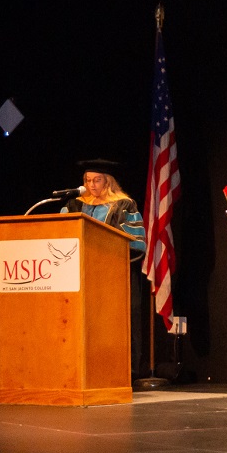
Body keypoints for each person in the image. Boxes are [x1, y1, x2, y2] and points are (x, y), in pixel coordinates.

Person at [61, 158, 147, 381]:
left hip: (114, 276)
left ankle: (123, 372)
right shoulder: (74, 205)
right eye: (88, 180)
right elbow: (60, 234)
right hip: (79, 276)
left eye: (97, 180)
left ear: (108, 181)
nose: (92, 185)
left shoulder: (124, 205)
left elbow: (136, 242)